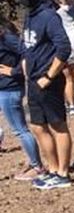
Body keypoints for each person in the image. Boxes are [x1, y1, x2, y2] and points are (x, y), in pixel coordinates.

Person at [15, 0, 72, 189]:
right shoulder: (29, 16)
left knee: (58, 126)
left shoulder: (49, 16)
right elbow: (27, 46)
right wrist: (23, 64)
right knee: (38, 127)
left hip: (47, 81)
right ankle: (53, 168)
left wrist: (49, 76)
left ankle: (63, 174)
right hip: (33, 81)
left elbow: (64, 48)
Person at [0, 18, 44, 181]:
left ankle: (37, 167)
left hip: (9, 89)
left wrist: (14, 71)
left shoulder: (7, 38)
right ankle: (32, 163)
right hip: (4, 88)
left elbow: (29, 53)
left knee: (20, 129)